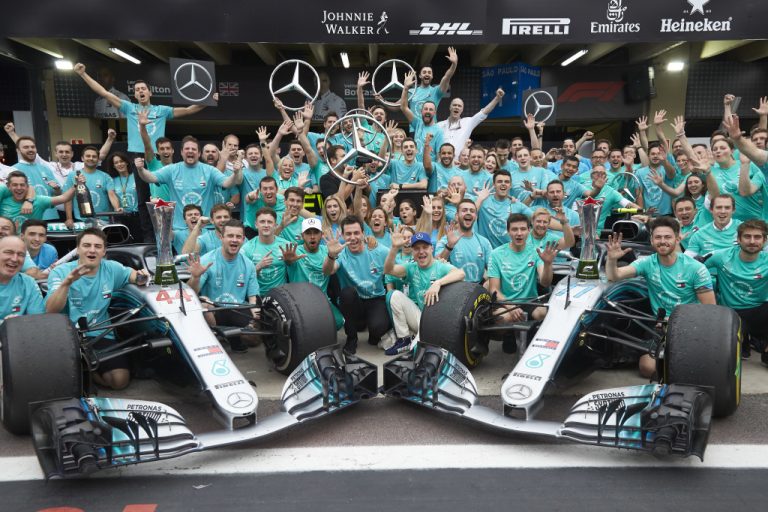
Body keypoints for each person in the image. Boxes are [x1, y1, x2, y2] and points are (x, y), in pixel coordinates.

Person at [606, 217, 715, 377]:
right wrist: (611, 260)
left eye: (667, 237)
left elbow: (710, 311)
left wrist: (680, 323)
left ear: (677, 239)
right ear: (651, 240)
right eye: (658, 237)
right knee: (647, 368)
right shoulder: (647, 263)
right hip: (660, 325)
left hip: (690, 324)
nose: (662, 241)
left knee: (697, 366)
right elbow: (614, 276)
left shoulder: (696, 268)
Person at [45, 228, 150, 389]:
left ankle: (89, 373)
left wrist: (142, 278)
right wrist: (67, 283)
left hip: (99, 334)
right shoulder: (60, 272)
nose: (92, 250)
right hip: (65, 337)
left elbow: (135, 276)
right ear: (78, 249)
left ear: (104, 251)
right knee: (62, 383)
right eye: (87, 245)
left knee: (120, 381)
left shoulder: (112, 268)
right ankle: (84, 371)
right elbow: (51, 310)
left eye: (98, 246)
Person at [74, 63, 216, 154]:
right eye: (137, 90)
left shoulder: (162, 110)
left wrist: (209, 101)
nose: (140, 91)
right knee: (142, 190)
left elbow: (189, 110)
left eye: (143, 88)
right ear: (135, 95)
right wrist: (83, 74)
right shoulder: (129, 107)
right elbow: (103, 92)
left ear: (150, 92)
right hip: (136, 153)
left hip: (157, 153)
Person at [134, 136, 242, 232]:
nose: (190, 151)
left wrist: (236, 173)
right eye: (187, 149)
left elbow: (227, 183)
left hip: (206, 228)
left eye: (193, 149)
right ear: (181, 152)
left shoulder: (209, 170)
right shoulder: (172, 169)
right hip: (180, 229)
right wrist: (140, 169)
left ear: (199, 153)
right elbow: (150, 177)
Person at [383, 230, 465, 355]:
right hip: (420, 317)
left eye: (425, 247)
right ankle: (404, 339)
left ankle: (418, 341)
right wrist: (394, 248)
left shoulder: (440, 266)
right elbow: (388, 270)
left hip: (437, 322)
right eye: (416, 248)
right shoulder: (411, 267)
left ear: (431, 248)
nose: (421, 251)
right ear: (412, 251)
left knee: (416, 352)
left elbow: (461, 273)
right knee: (394, 295)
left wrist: (438, 283)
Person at [488, 214, 558, 352]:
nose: (519, 233)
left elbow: (545, 283)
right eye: (514, 229)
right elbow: (494, 290)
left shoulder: (536, 252)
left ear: (528, 230)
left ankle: (532, 335)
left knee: (542, 313)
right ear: (508, 232)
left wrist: (548, 264)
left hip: (530, 301)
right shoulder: (496, 254)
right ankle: (509, 334)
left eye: (523, 229)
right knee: (503, 317)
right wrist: (511, 306)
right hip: (506, 302)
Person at [187, 219, 259, 353]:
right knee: (204, 306)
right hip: (215, 310)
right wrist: (195, 277)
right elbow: (190, 293)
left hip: (237, 309)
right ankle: (216, 338)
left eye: (238, 236)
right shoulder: (207, 260)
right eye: (230, 236)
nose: (234, 240)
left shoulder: (249, 264)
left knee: (254, 340)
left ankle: (230, 337)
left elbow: (253, 298)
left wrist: (256, 318)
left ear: (243, 239)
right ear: (221, 237)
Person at [323, 215, 391, 355]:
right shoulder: (340, 253)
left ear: (363, 233)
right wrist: (331, 255)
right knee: (346, 293)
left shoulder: (379, 250)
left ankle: (373, 331)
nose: (353, 237)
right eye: (348, 234)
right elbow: (328, 271)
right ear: (343, 235)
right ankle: (352, 338)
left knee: (378, 329)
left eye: (356, 233)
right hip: (354, 302)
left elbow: (397, 267)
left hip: (375, 299)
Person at [704, 220, 768, 362]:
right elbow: (694, 269)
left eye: (757, 237)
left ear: (764, 241)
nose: (752, 241)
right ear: (738, 239)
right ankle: (743, 340)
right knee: (726, 357)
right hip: (731, 312)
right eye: (747, 236)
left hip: (760, 310)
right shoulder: (721, 256)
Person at [280, 217, 344, 331]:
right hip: (298, 301)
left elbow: (330, 270)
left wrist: (331, 255)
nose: (312, 236)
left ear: (321, 235)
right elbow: (289, 262)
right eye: (308, 233)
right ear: (302, 235)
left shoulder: (328, 250)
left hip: (322, 300)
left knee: (339, 321)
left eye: (316, 232)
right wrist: (288, 261)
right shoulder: (295, 251)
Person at [435, 198, 492, 284]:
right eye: (464, 210)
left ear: (476, 217)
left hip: (477, 288)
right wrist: (449, 246)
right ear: (456, 216)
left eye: (472, 211)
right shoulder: (445, 240)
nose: (468, 213)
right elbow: (437, 267)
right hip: (453, 287)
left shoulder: (484, 242)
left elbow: (493, 270)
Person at [62, 145, 121, 226]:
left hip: (103, 220)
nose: (91, 158)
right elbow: (67, 199)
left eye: (94, 156)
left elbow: (112, 194)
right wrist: (69, 218)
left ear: (98, 159)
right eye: (88, 156)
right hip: (81, 221)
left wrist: (117, 208)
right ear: (82, 158)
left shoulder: (106, 176)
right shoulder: (73, 176)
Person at [437, 88, 505, 155]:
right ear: (450, 107)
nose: (456, 107)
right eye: (454, 105)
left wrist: (497, 98)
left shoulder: (468, 122)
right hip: (441, 161)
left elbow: (484, 112)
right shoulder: (439, 125)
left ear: (462, 109)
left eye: (459, 106)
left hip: (459, 161)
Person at [475, 170, 532, 248]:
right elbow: (468, 213)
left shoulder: (516, 204)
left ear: (510, 185)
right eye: (499, 181)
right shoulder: (482, 200)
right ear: (494, 184)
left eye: (506, 182)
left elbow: (538, 218)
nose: (503, 184)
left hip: (508, 252)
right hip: (486, 250)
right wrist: (479, 199)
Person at [0, 170, 76, 226]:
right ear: (8, 186)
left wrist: (76, 185)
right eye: (15, 185)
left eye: (22, 185)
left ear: (27, 186)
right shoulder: (3, 201)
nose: (19, 188)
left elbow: (64, 198)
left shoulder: (38, 201)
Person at [240, 208, 288, 295]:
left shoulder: (286, 246)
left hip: (281, 297)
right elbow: (241, 279)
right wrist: (258, 267)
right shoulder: (247, 248)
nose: (266, 225)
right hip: (256, 296)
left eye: (269, 222)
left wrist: (291, 262)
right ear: (256, 224)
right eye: (262, 222)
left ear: (275, 225)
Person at [400, 72, 444, 163]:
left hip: (429, 169)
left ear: (434, 112)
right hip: (416, 168)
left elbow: (439, 157)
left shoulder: (439, 131)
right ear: (421, 111)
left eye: (430, 110)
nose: (428, 111)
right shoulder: (418, 123)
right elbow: (403, 107)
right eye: (426, 109)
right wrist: (406, 88)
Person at [0, 235, 45, 322]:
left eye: (21, 255)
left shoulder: (28, 283)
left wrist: (19, 324)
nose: (15, 259)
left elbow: (38, 320)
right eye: (9, 252)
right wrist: (6, 325)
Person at [684, 194, 741, 259]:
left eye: (727, 208)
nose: (723, 211)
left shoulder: (743, 229)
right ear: (711, 210)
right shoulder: (700, 234)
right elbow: (686, 259)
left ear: (733, 210)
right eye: (719, 207)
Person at [0, 215, 45, 279]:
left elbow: (33, 271)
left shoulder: (18, 248)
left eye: (5, 228)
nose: (0, 231)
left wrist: (12, 281)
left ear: (14, 234)